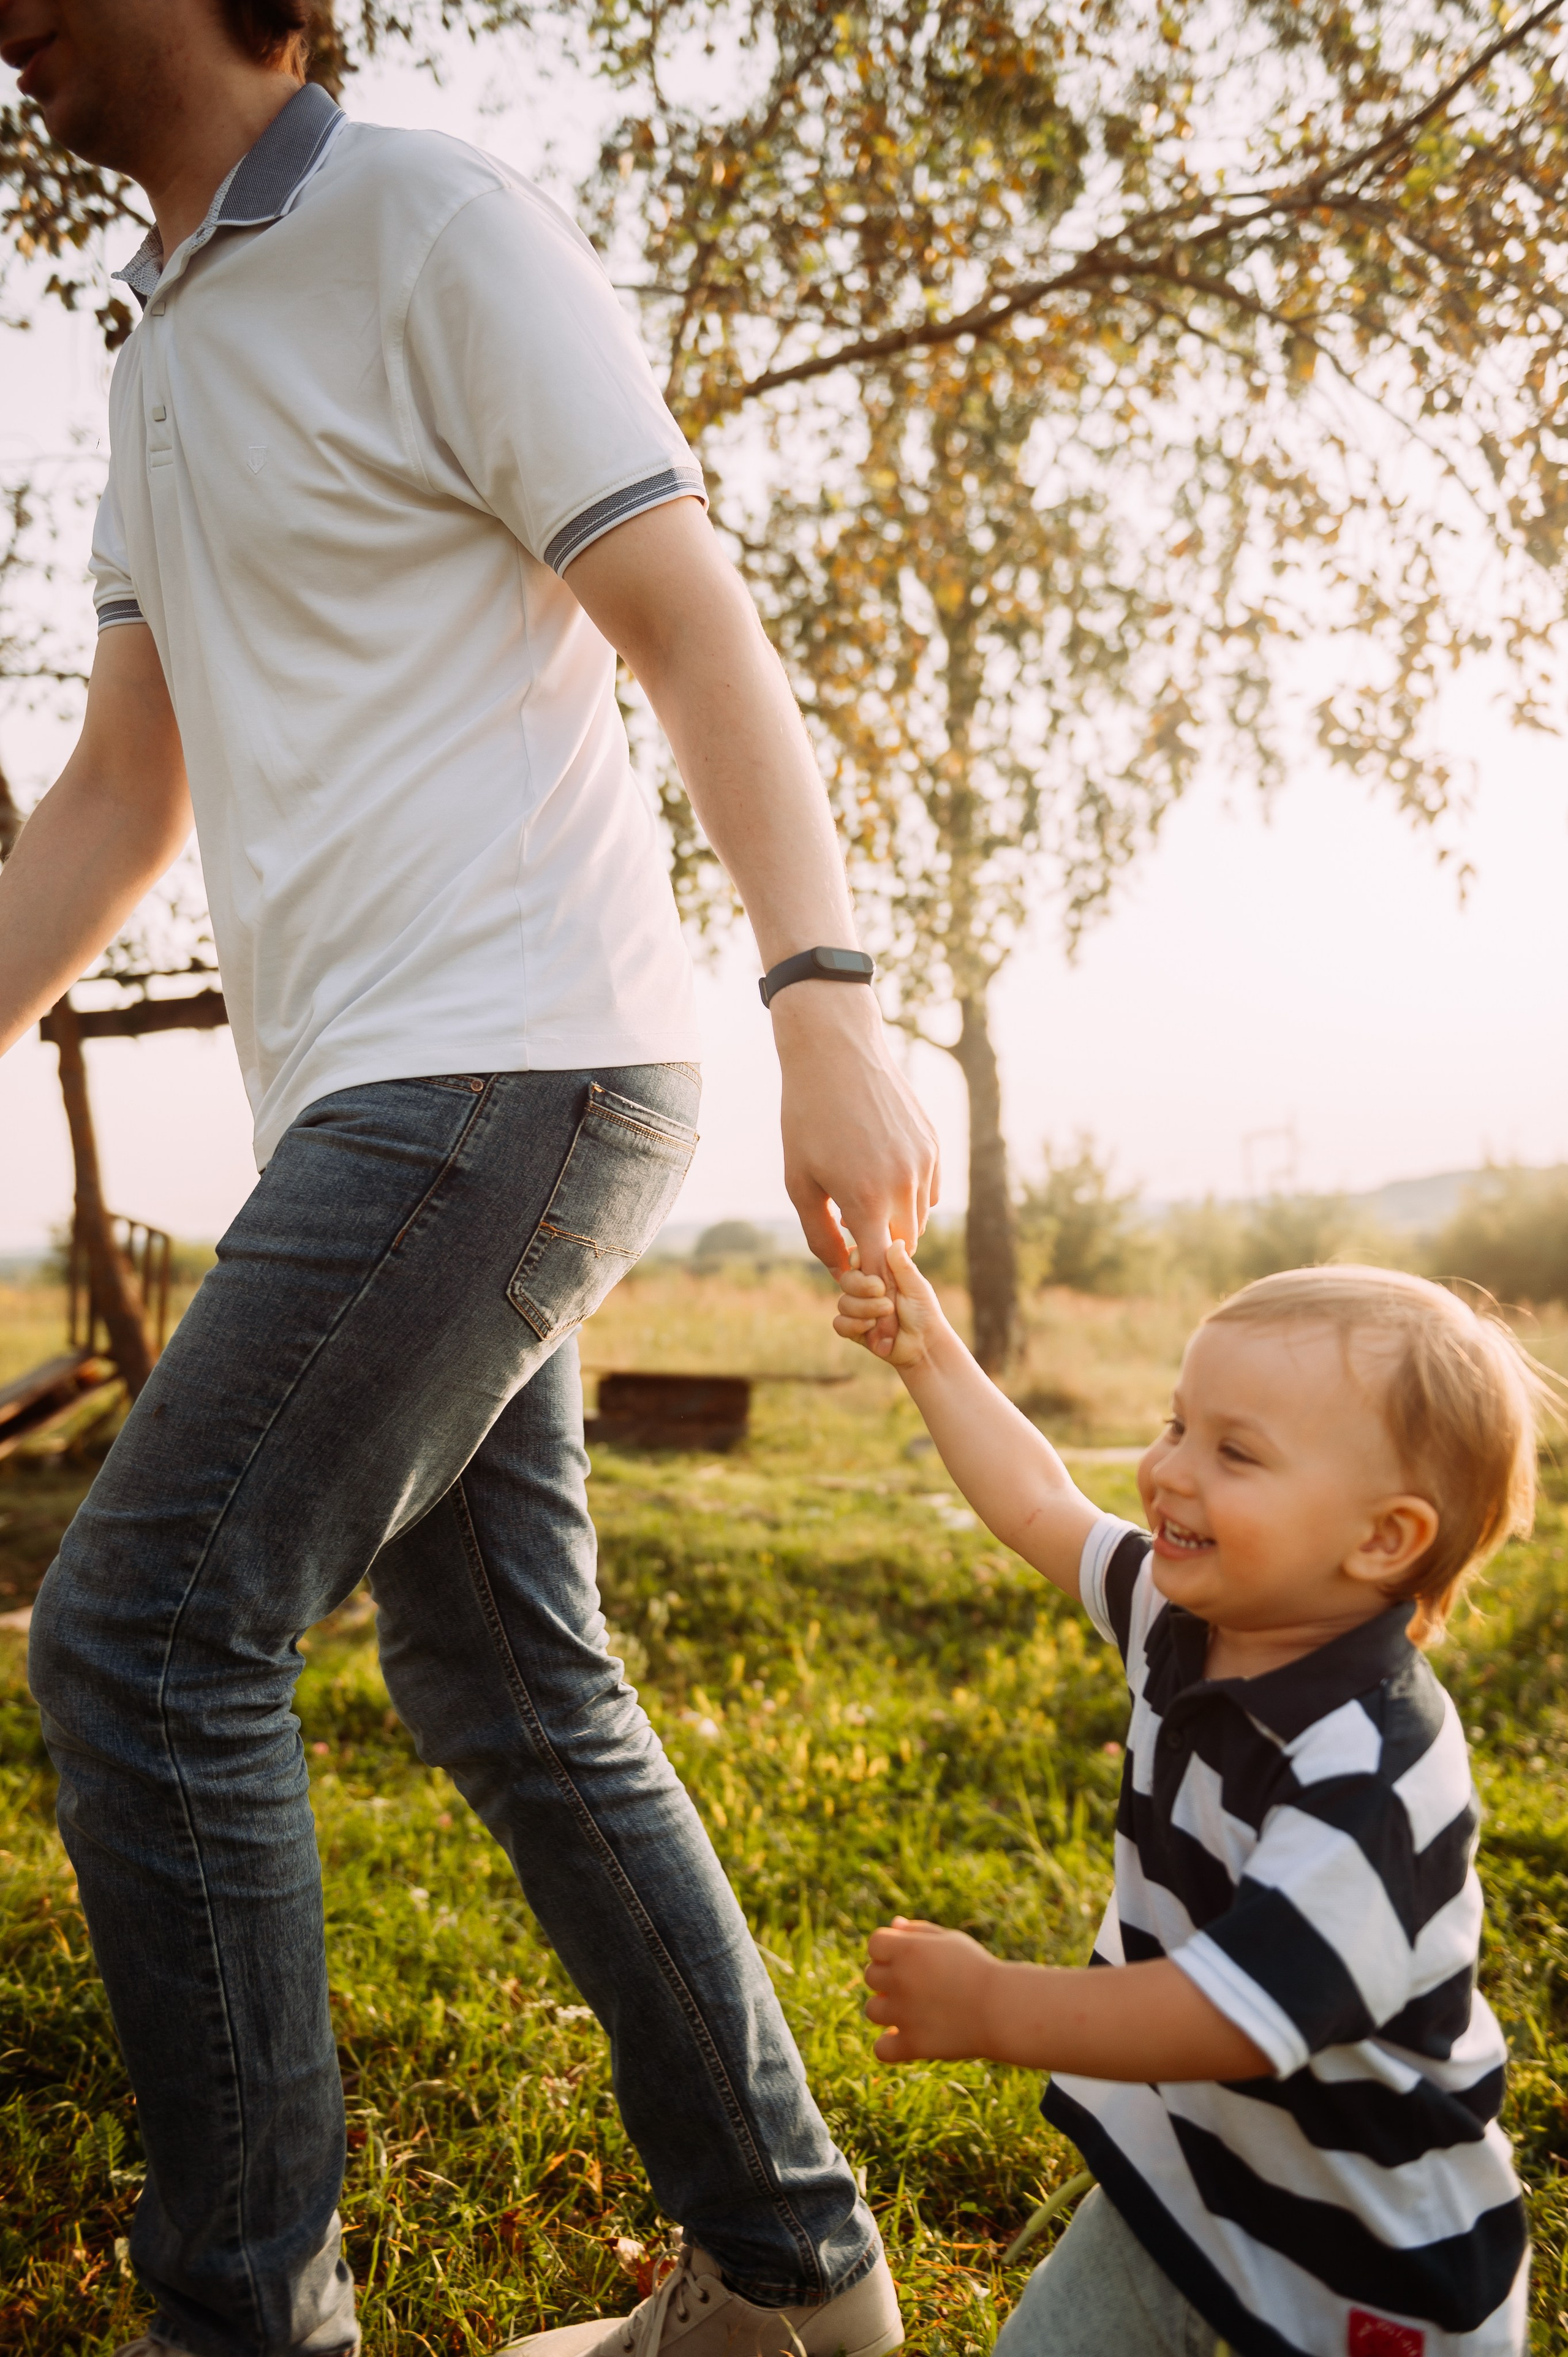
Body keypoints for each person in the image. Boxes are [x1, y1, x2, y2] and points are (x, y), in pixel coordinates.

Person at [0, 4, 940, 2356]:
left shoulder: (426, 219)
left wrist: (822, 989)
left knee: (140, 1631)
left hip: (512, 1056)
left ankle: (247, 2319)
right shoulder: (158, 343)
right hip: (388, 1097)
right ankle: (787, 2274)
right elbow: (130, 793)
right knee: (509, 1671)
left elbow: (684, 611)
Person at [833, 1250, 1552, 2357]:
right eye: (1176, 1424)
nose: (1167, 1470)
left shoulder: (1372, 1773)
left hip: (1358, 2271)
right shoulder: (1181, 1617)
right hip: (1183, 2193)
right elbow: (1037, 1502)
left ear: (1382, 1538)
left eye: (1234, 1451)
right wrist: (931, 1354)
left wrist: (992, 2008)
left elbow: (1232, 2016)